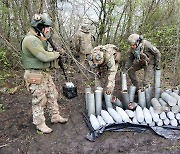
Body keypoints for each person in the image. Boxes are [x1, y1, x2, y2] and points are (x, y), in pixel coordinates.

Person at [21, 13, 68, 134]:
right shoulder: (30, 40)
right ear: (39, 26)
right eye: (47, 27)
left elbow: (48, 52)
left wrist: (56, 51)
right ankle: (40, 123)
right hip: (34, 75)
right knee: (40, 100)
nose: (48, 29)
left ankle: (55, 116)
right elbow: (44, 56)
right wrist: (57, 54)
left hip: (44, 73)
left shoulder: (40, 38)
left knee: (53, 94)